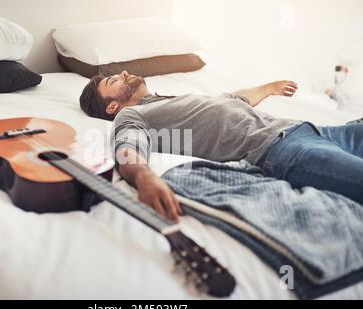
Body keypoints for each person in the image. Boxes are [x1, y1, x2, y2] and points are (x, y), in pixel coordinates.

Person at [79, 71, 363, 221]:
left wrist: (268, 88)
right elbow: (128, 142)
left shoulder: (169, 101)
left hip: (310, 130)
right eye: (115, 80)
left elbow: (231, 99)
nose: (125, 73)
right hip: (282, 150)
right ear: (113, 106)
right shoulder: (133, 114)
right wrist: (143, 177)